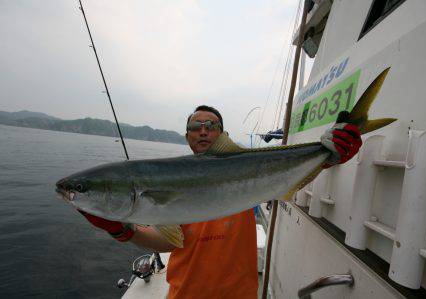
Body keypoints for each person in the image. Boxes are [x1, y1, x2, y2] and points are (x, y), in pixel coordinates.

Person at [78, 105, 362, 299]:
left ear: (222, 134)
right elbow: (169, 241)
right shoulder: (166, 178)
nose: (203, 131)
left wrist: (328, 155)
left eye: (210, 126)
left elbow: (280, 175)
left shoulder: (251, 171)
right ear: (187, 137)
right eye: (195, 127)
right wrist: (121, 229)